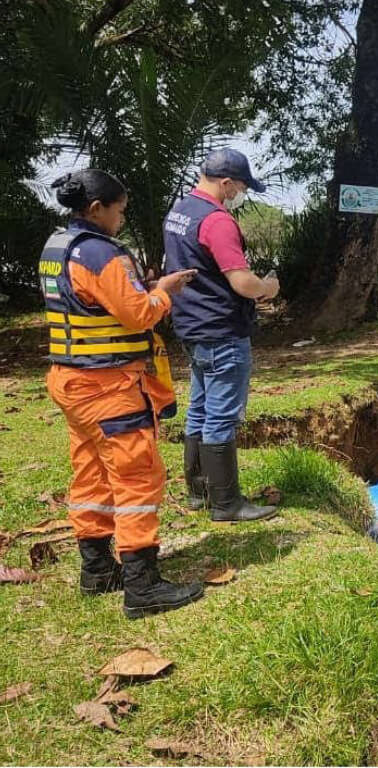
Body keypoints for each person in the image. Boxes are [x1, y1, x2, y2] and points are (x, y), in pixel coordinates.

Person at [41, 169, 203, 618]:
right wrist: (164, 292)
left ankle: (96, 570)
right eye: (119, 211)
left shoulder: (59, 247)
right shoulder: (101, 254)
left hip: (71, 381)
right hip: (108, 386)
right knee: (137, 477)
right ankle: (142, 586)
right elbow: (138, 315)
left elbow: (94, 305)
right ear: (97, 209)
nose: (121, 219)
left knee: (91, 472)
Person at [163, 149, 279, 523]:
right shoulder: (217, 221)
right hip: (222, 328)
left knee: (199, 408)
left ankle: (199, 492)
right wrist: (268, 287)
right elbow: (241, 281)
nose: (240, 193)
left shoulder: (179, 212)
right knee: (222, 415)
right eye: (241, 185)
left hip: (192, 325)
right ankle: (228, 503)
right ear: (226, 182)